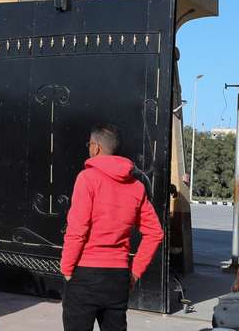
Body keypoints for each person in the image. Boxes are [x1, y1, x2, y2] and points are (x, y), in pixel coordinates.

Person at [61, 123, 164, 331]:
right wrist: (135, 272)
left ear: (95, 147)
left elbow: (77, 229)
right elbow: (155, 233)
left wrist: (67, 268)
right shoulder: (136, 186)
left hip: (85, 273)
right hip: (118, 276)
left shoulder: (87, 178)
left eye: (89, 144)